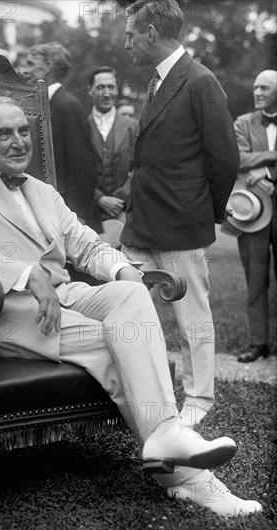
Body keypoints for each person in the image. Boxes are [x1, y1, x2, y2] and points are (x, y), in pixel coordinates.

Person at [0, 96, 261, 517]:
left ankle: (166, 438)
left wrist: (122, 270)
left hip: (62, 301)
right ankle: (189, 477)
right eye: (3, 134)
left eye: (23, 131)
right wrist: (27, 275)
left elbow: (83, 244)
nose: (18, 142)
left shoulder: (43, 191)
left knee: (131, 294)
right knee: (116, 342)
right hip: (1, 314)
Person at [120, 0, 240, 427]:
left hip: (181, 224)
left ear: (151, 33)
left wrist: (207, 210)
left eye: (131, 34)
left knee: (193, 320)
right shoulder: (155, 81)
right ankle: (128, 388)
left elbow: (225, 157)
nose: (127, 43)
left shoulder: (200, 80)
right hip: (142, 222)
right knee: (121, 305)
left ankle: (199, 398)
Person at [22, 42, 102, 233]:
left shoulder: (68, 106)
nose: (25, 71)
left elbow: (84, 163)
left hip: (68, 213)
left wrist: (78, 214)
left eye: (31, 64)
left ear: (48, 66)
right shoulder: (37, 106)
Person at [232, 70, 277, 362]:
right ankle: (258, 342)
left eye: (264, 88)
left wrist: (266, 172)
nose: (257, 92)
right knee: (256, 279)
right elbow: (239, 159)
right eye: (255, 87)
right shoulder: (243, 122)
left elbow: (251, 163)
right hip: (254, 212)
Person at [87, 66, 138, 221]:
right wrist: (99, 198)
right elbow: (72, 171)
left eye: (111, 87)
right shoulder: (80, 126)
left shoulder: (133, 126)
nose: (107, 93)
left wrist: (123, 195)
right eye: (101, 87)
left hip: (126, 211)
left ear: (117, 90)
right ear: (90, 91)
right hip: (90, 215)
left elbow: (143, 166)